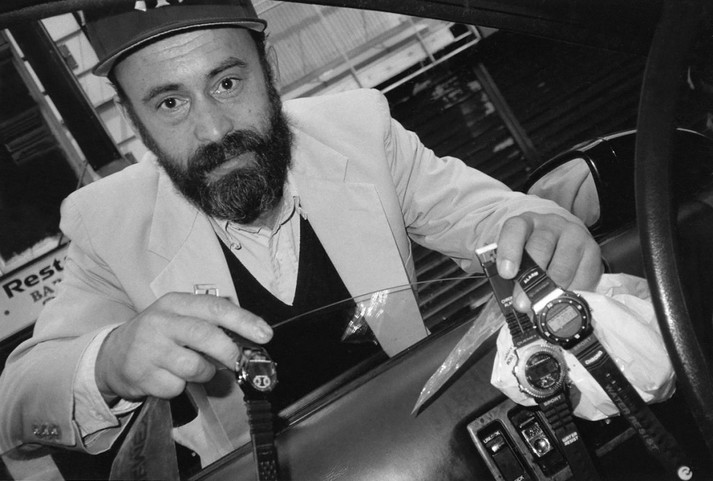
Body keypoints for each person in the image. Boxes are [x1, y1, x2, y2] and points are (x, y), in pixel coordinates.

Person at [0, 0, 602, 471]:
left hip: (422, 443)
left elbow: (490, 217)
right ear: (136, 120)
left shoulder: (360, 131)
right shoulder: (106, 222)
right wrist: (109, 360)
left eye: (227, 83)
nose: (214, 130)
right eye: (170, 103)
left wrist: (538, 229)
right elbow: (15, 408)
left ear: (268, 68)